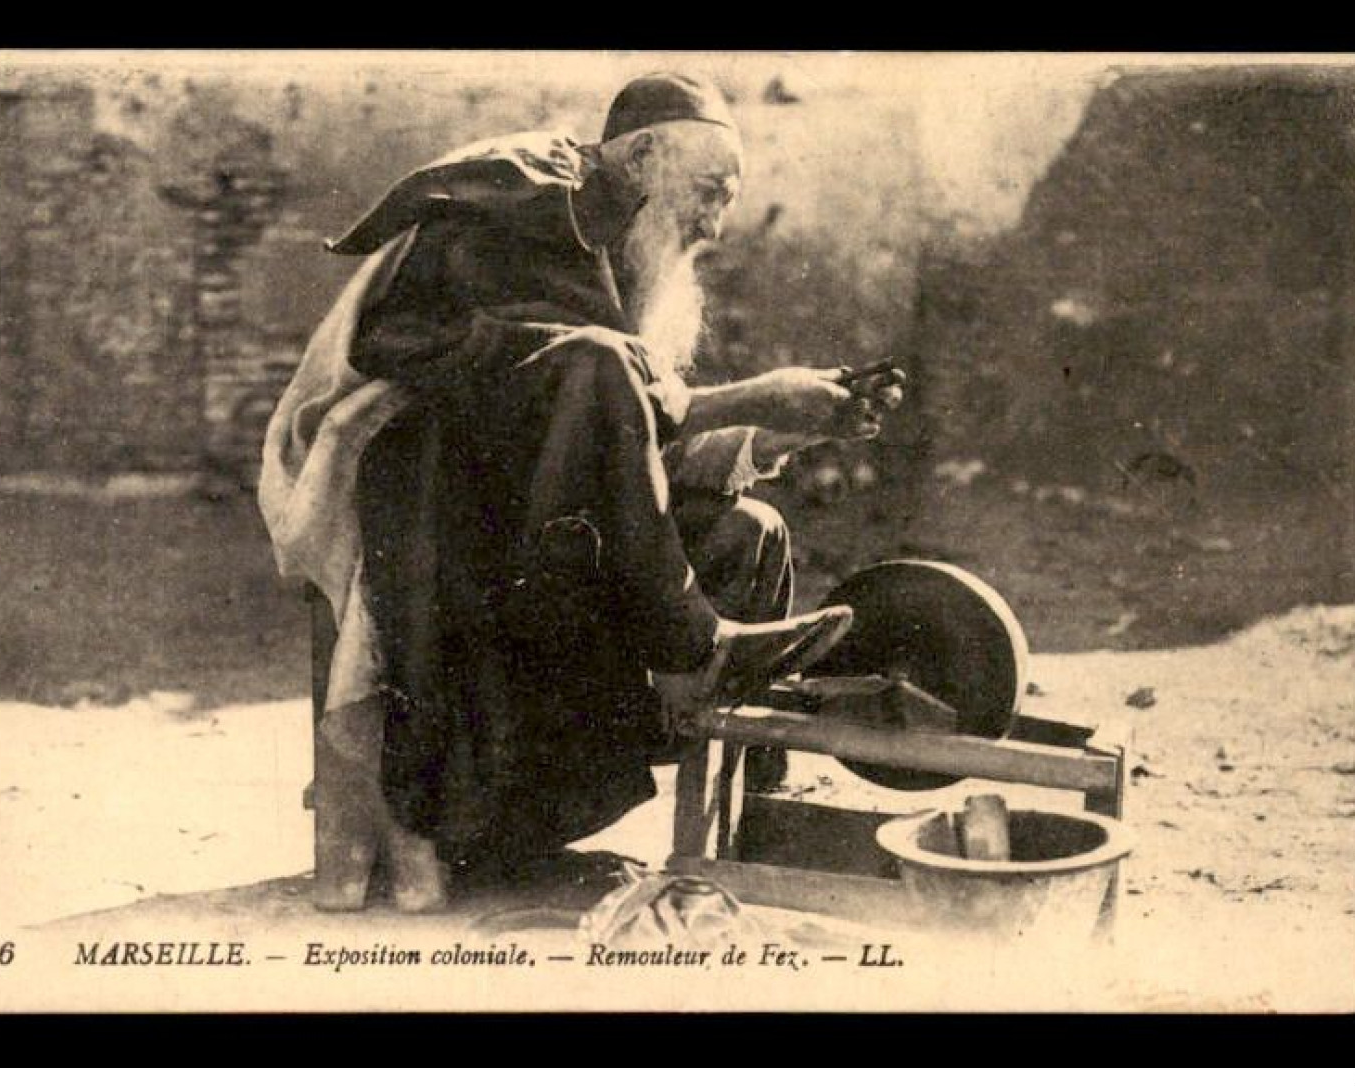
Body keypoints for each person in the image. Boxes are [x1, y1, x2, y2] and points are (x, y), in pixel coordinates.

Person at [259, 72, 904, 910]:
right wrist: (745, 394)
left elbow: (627, 438)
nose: (712, 227)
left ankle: (748, 804)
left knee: (751, 533)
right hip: (445, 525)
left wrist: (785, 424)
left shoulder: (612, 243)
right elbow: (506, 377)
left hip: (555, 533)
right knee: (598, 361)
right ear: (641, 156)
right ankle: (694, 649)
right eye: (708, 194)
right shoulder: (521, 203)